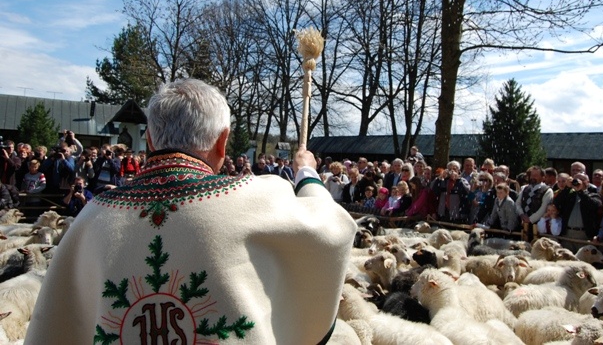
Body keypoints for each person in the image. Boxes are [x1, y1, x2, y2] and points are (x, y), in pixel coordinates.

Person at [26, 78, 356, 344]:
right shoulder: (260, 196)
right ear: (222, 142)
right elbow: (331, 227)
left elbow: (58, 326)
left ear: (151, 140)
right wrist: (306, 172)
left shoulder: (93, 217)